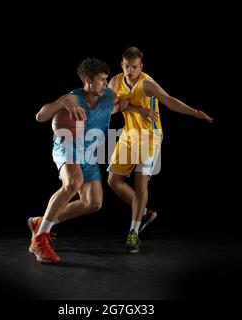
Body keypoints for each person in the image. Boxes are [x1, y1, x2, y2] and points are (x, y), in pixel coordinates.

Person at [107, 47, 213, 253]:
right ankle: (144, 212)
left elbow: (170, 101)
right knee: (113, 180)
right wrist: (135, 108)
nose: (130, 70)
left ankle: (134, 233)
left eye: (135, 67)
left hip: (149, 136)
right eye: (127, 66)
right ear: (121, 65)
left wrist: (195, 112)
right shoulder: (114, 82)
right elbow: (109, 109)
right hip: (128, 135)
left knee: (140, 181)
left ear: (141, 67)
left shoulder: (147, 84)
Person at [29, 57, 131, 263]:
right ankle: (39, 240)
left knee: (93, 203)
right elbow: (40, 116)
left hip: (88, 154)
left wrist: (130, 106)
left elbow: (114, 108)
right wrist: (60, 102)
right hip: (66, 146)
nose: (105, 83)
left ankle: (42, 222)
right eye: (101, 79)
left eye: (106, 79)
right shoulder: (72, 98)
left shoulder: (108, 96)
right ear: (88, 79)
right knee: (73, 183)